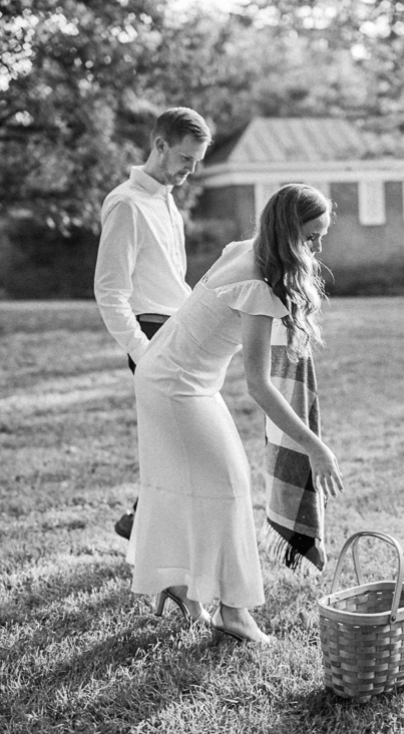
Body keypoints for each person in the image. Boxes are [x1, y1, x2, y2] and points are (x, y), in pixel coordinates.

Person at [128, 184, 344, 643]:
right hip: (175, 386)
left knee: (189, 482)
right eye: (311, 238)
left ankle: (177, 580)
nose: (318, 248)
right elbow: (258, 384)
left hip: (168, 376)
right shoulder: (257, 283)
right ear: (288, 234)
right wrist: (314, 446)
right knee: (230, 485)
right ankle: (235, 611)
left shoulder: (244, 250)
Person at [94, 106, 212, 540]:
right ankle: (150, 529)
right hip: (150, 336)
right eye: (185, 158)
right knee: (180, 442)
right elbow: (110, 291)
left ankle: (143, 523)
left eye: (196, 161)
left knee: (178, 443)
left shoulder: (167, 202)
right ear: (160, 146)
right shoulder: (126, 204)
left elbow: (172, 280)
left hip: (178, 332)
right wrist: (143, 354)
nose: (190, 170)